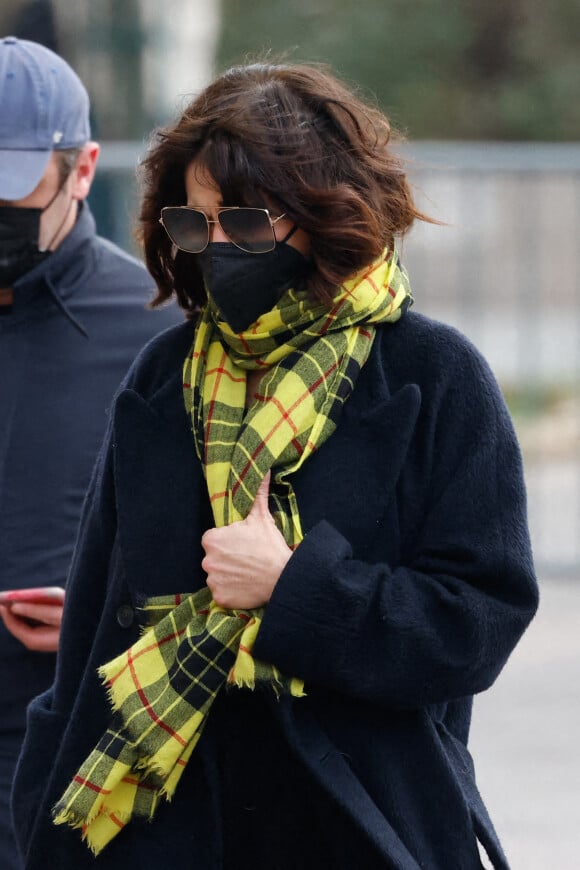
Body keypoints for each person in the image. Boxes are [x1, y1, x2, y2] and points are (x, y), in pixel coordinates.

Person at [12, 61, 538, 870]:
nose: (219, 247)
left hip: (357, 822)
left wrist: (296, 589)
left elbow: (477, 623)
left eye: (248, 223)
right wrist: (43, 809)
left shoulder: (432, 374)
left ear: (327, 212)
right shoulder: (163, 375)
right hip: (155, 826)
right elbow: (92, 632)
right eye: (197, 224)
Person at [0, 36, 180, 868]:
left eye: (7, 189)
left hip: (76, 764)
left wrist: (108, 616)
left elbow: (226, 552)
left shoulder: (161, 330)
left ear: (83, 170)